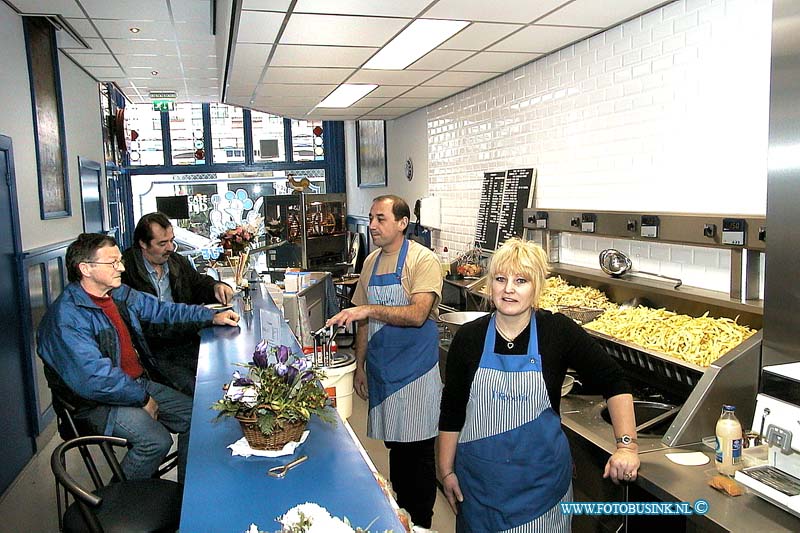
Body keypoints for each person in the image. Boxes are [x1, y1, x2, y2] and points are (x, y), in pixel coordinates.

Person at [438, 238, 640, 532]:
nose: (509, 289)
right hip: (479, 491)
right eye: (500, 279)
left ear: (536, 288)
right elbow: (452, 409)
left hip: (541, 495)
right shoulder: (469, 338)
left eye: (521, 280)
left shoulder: (556, 332)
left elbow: (614, 381)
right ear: (489, 285)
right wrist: (446, 472)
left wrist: (627, 446)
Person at [38, 233, 240, 483]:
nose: (121, 267)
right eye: (112, 263)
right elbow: (94, 379)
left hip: (132, 384)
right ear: (85, 269)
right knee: (156, 441)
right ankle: (117, 503)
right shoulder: (66, 319)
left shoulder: (116, 293)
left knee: (197, 417)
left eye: (120, 260)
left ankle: (185, 494)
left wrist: (210, 316)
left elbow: (161, 309)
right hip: (93, 403)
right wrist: (142, 398)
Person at [326, 195, 443, 528]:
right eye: (371, 218)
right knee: (396, 452)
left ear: (402, 223)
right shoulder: (371, 262)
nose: (373, 226)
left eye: (381, 219)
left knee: (418, 459)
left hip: (416, 374)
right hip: (384, 371)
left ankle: (420, 523)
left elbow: (418, 314)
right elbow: (363, 322)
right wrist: (360, 366)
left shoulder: (423, 260)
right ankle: (400, 519)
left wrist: (368, 310)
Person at [122, 212, 234, 394]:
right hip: (154, 350)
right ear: (143, 243)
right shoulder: (125, 271)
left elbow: (198, 284)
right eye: (162, 243)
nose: (171, 247)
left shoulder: (176, 261)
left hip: (186, 340)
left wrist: (215, 287)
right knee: (197, 390)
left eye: (171, 240)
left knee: (223, 372)